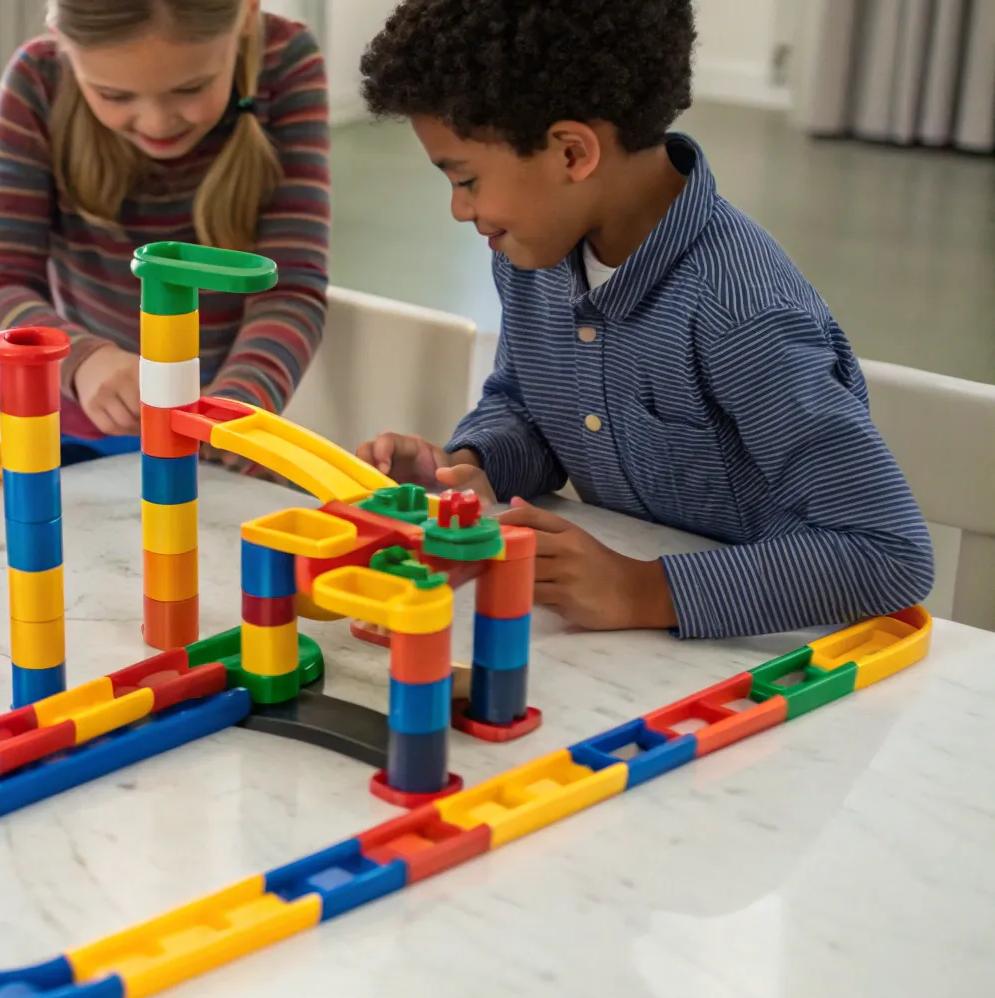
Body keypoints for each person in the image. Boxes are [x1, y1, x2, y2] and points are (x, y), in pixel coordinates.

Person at [352, 0, 933, 639]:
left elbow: (889, 552)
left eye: (465, 180)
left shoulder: (743, 314)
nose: (461, 210)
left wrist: (640, 591)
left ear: (572, 153)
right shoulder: (530, 254)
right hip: (629, 654)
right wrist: (468, 468)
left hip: (771, 657)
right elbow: (530, 407)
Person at [0, 0, 330, 466]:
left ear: (246, 15)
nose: (157, 122)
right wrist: (82, 359)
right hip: (82, 439)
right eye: (115, 96)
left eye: (192, 88)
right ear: (65, 44)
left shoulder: (286, 64)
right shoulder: (38, 81)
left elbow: (292, 288)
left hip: (225, 441)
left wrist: (237, 407)